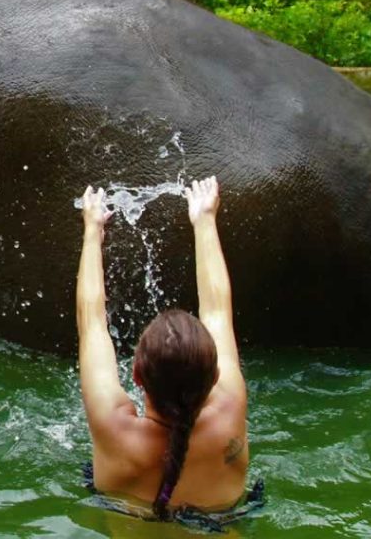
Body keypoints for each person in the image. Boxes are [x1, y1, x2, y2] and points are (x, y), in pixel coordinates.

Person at [76, 177, 257, 527]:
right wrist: (205, 220)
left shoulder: (114, 429)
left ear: (136, 375)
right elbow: (218, 310)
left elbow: (92, 322)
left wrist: (91, 232)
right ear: (215, 376)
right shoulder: (230, 407)